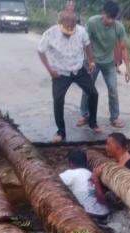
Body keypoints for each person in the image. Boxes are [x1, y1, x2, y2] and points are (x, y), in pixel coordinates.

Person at [38, 10, 101, 143]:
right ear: (60, 23)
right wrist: (50, 70)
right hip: (60, 72)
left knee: (93, 93)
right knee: (58, 100)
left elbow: (88, 45)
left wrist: (91, 61)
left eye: (73, 25)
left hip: (78, 70)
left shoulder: (81, 31)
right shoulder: (50, 33)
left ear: (75, 23)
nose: (70, 28)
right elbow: (40, 51)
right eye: (67, 25)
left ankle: (92, 122)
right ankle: (61, 131)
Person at [77, 1, 130, 129]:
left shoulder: (119, 27)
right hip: (92, 61)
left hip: (109, 63)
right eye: (108, 17)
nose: (110, 21)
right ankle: (85, 115)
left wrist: (128, 69)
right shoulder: (92, 22)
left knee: (113, 89)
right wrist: (88, 61)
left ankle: (114, 117)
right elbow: (84, 43)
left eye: (113, 18)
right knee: (87, 89)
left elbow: (123, 48)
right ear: (103, 13)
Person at [60, 149, 109, 222]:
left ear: (71, 164)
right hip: (105, 213)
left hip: (90, 215)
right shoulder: (90, 173)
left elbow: (52, 181)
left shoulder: (71, 173)